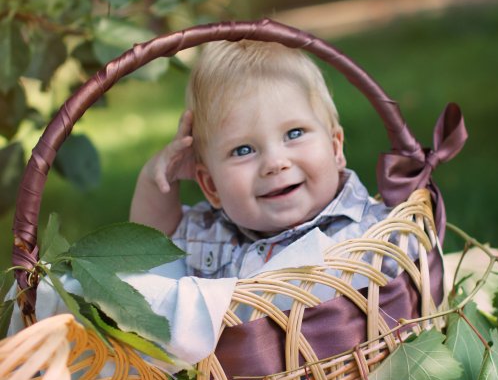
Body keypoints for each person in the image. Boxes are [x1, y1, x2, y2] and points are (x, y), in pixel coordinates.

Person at [130, 39, 394, 280]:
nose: (275, 163)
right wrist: (156, 178)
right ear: (211, 186)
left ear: (336, 149)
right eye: (243, 150)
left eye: (294, 133)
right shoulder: (210, 236)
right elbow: (147, 251)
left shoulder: (375, 230)